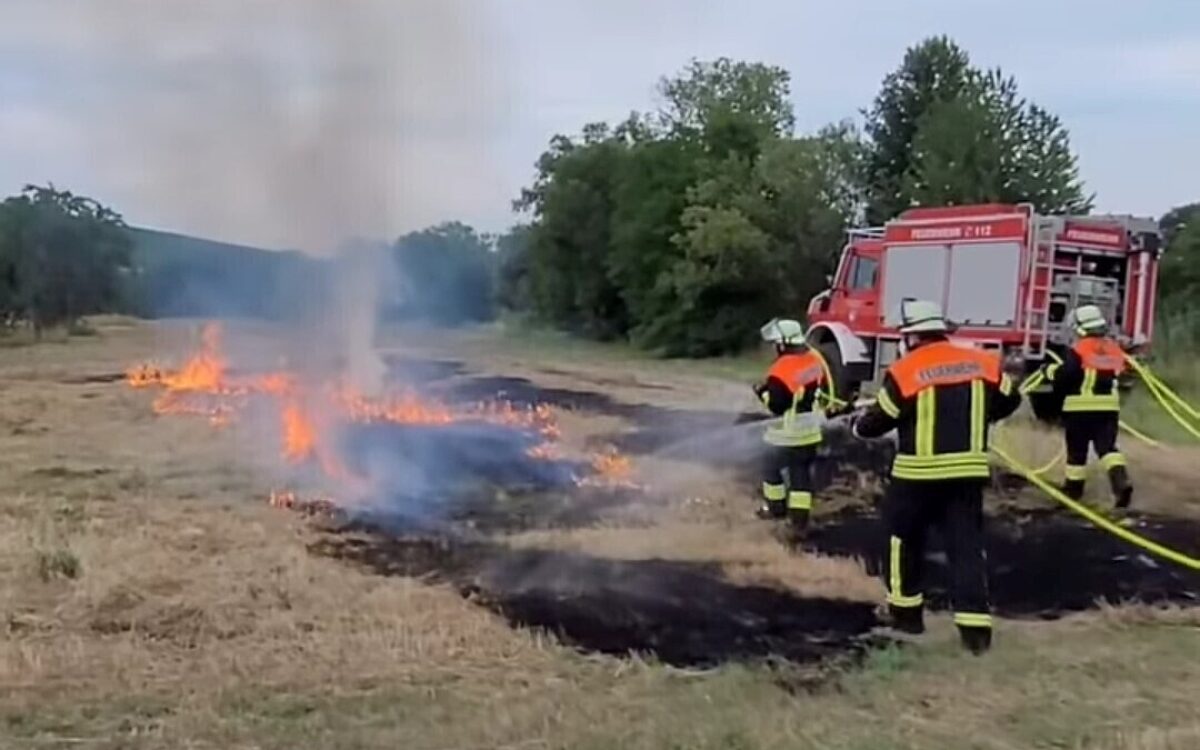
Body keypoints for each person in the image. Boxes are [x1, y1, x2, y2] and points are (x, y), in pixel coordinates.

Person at [851, 300, 1022, 654]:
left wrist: (857, 423)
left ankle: (906, 617)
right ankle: (975, 633)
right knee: (966, 548)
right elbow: (1011, 399)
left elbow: (876, 423)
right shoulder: (983, 362)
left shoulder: (905, 370)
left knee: (902, 542)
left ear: (912, 337)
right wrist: (981, 414)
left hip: (916, 476)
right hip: (967, 475)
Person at [1023, 304, 1132, 508]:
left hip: (1079, 409)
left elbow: (1068, 374)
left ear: (1080, 327)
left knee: (1077, 451)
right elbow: (1123, 374)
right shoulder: (1114, 349)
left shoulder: (1079, 349)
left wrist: (1049, 372)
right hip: (1108, 409)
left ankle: (1073, 490)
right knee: (1107, 448)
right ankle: (1121, 482)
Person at [753, 318, 833, 532]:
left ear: (783, 344)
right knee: (800, 475)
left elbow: (777, 406)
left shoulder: (781, 370)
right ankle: (799, 520)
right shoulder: (812, 361)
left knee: (769, 467)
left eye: (775, 343)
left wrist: (762, 392)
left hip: (786, 435)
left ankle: (776, 508)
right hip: (810, 433)